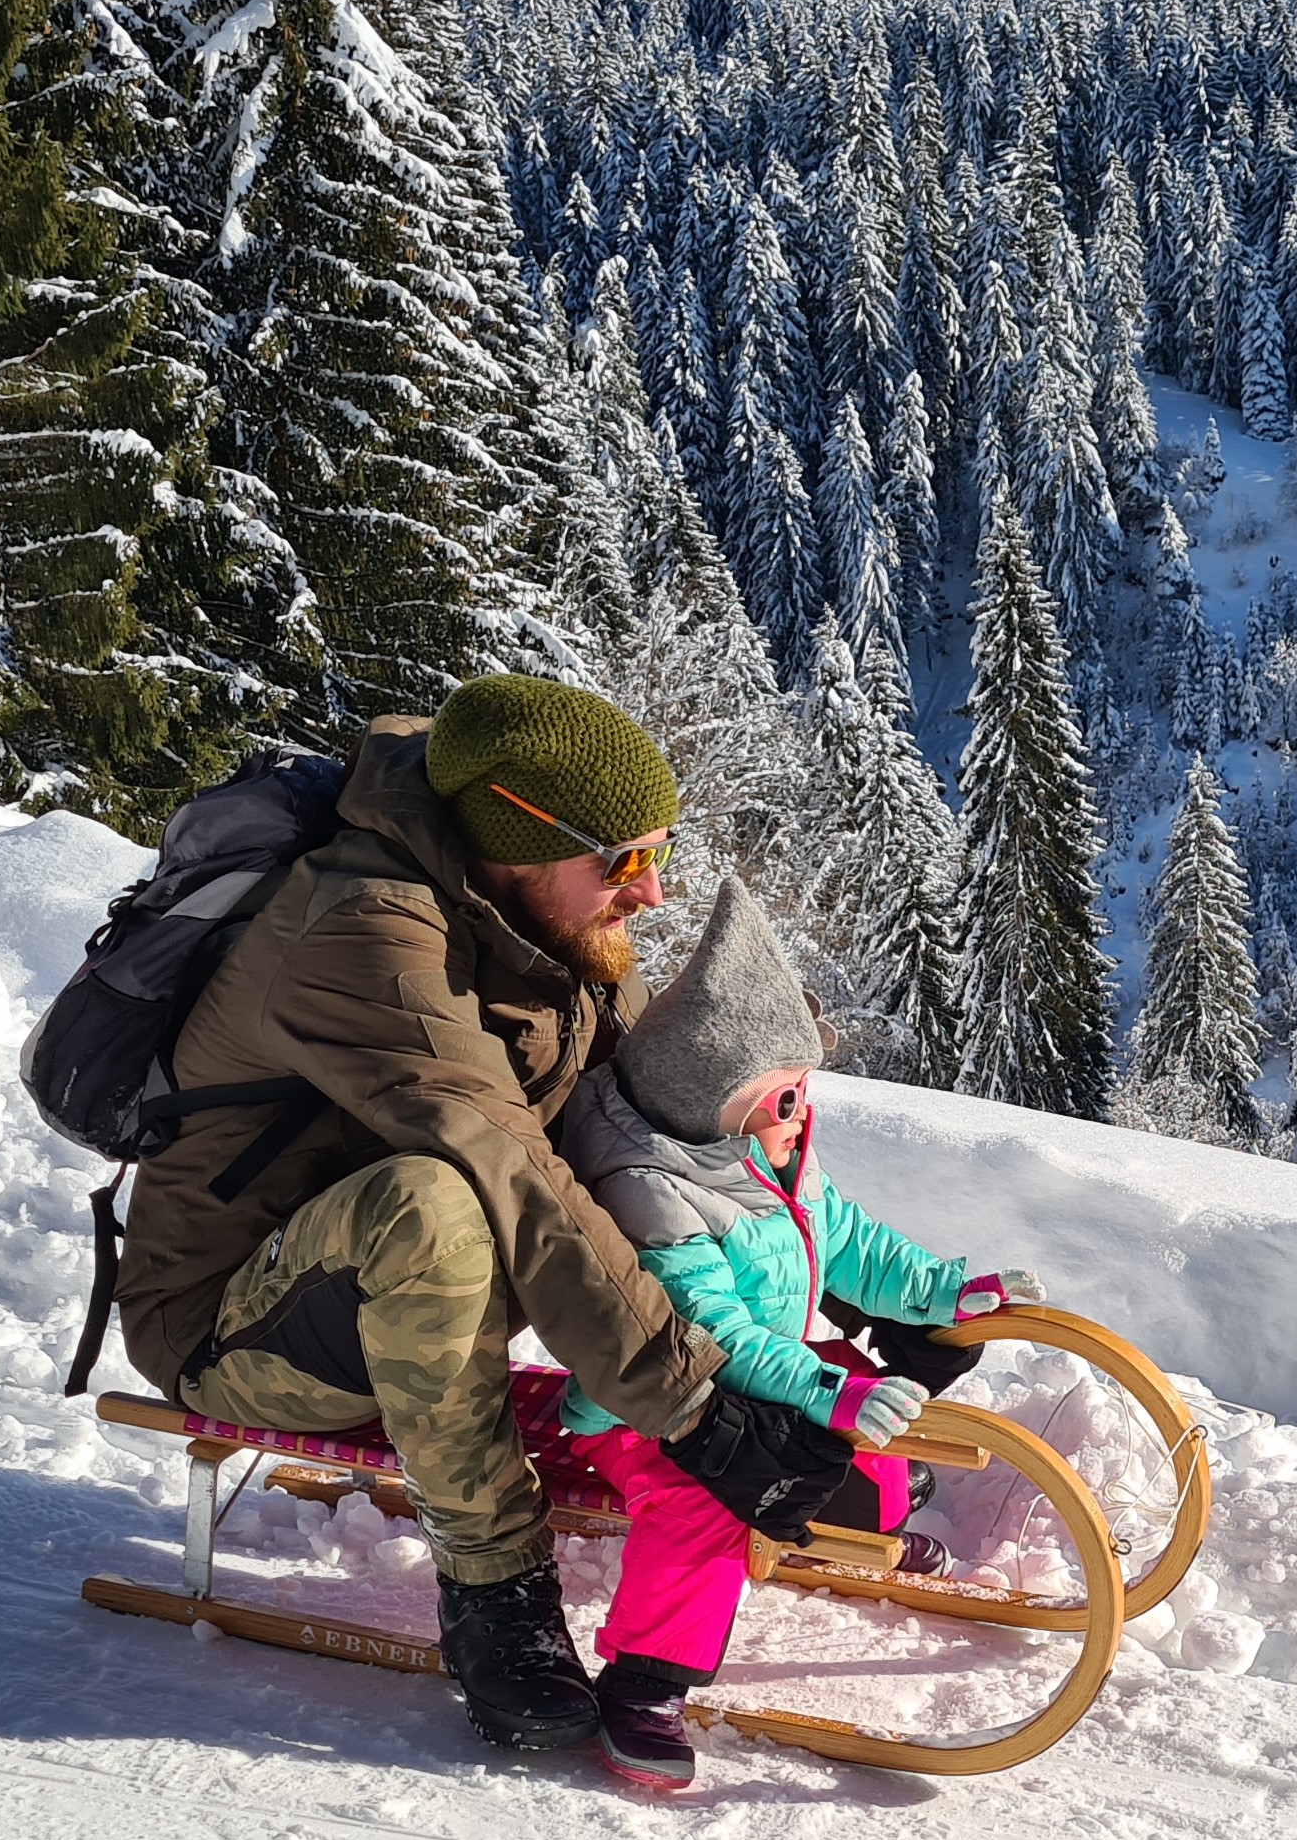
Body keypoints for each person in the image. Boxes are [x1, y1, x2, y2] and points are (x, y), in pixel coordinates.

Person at [114, 673, 855, 1753]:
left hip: (380, 1290)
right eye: (625, 859)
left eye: (660, 853)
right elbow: (510, 1170)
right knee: (438, 1205)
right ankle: (494, 1585)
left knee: (503, 1199)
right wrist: (691, 1406)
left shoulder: (544, 922)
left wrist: (815, 1286)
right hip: (234, 1325)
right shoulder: (364, 937)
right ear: (517, 840)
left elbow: (651, 1126)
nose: (650, 894)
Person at [532, 876, 1041, 1790]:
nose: (801, 1112)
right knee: (704, 1505)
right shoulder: (654, 1198)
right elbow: (711, 1331)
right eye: (782, 1097)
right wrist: (827, 1391)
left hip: (749, 1374)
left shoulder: (765, 1161)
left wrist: (940, 1294)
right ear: (710, 1104)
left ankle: (862, 1513)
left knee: (851, 1382)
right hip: (656, 1403)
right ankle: (644, 1685)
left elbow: (848, 1242)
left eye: (803, 1089)